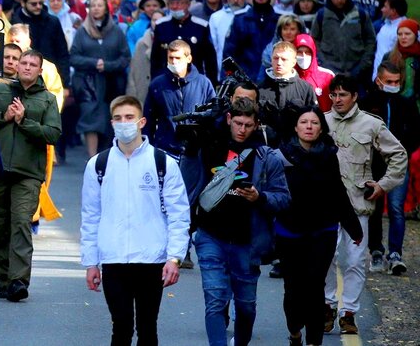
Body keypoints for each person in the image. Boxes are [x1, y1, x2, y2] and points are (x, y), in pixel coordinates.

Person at [81, 95, 190, 346]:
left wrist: (174, 257)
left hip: (151, 259)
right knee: (120, 327)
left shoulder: (163, 163)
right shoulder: (98, 165)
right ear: (111, 123)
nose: (124, 123)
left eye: (129, 117)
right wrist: (91, 262)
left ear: (142, 121)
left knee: (147, 328)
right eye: (118, 118)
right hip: (114, 259)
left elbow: (178, 214)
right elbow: (90, 216)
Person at [187, 98, 290, 346]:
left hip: (248, 241)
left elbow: (283, 198)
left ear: (256, 125)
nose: (242, 129)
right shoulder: (211, 147)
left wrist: (260, 196)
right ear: (229, 120)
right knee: (215, 298)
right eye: (239, 123)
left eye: (248, 125)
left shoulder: (267, 157)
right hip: (211, 235)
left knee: (246, 307)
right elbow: (189, 182)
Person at [0, 49, 61, 302]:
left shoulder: (47, 99)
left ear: (39, 71)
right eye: (24, 63)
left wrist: (24, 121)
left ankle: (19, 280)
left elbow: (53, 133)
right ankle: (3, 277)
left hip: (28, 173)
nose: (26, 68)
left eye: (33, 65)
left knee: (21, 223)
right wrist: (4, 117)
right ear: (18, 66)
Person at [323, 74, 407, 335]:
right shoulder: (321, 121)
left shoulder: (371, 124)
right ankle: (327, 306)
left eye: (342, 95)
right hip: (325, 206)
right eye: (333, 95)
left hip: (358, 203)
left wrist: (383, 184)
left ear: (354, 96)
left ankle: (349, 312)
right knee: (325, 258)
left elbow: (398, 154)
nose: (337, 99)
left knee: (355, 261)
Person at [275, 106, 363, 346]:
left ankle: (314, 341)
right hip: (289, 229)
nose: (309, 127)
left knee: (315, 286)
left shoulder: (328, 155)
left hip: (322, 229)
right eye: (304, 122)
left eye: (314, 123)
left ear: (321, 128)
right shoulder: (281, 155)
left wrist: (353, 227)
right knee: (293, 288)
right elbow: (271, 192)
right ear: (296, 126)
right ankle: (295, 332)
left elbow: (338, 192)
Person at [362, 62, 420, 276]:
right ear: (379, 80)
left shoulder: (406, 104)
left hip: (398, 164)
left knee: (396, 209)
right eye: (389, 82)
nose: (393, 85)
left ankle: (396, 253)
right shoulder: (368, 102)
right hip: (374, 164)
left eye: (397, 82)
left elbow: (415, 132)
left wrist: (402, 152)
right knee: (374, 209)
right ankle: (376, 250)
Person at [70, 0, 131, 157]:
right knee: (90, 120)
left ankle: (108, 157)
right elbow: (74, 57)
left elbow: (125, 57)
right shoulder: (82, 32)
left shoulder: (116, 32)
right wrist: (93, 63)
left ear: (106, 9)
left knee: (109, 120)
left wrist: (108, 65)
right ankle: (92, 158)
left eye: (100, 5)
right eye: (93, 5)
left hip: (111, 83)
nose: (96, 8)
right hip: (88, 83)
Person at [144, 39, 217, 158]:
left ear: (188, 59)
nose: (174, 62)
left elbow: (213, 117)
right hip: (165, 149)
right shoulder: (157, 85)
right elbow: (149, 119)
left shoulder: (204, 83)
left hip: (195, 152)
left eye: (178, 58)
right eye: (170, 58)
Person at [151, 0, 218, 83]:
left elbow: (210, 61)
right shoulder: (161, 25)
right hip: (168, 82)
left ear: (188, 4)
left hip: (194, 82)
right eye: (171, 3)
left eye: (179, 3)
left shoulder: (201, 26)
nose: (175, 7)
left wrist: (211, 85)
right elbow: (155, 60)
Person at [256, 41, 318, 146]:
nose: (279, 63)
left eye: (284, 59)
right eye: (276, 58)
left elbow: (314, 122)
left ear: (294, 62)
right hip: (267, 149)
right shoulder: (260, 88)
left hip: (298, 150)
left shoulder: (306, 89)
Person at [312, 0, 375, 79]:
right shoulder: (322, 15)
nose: (339, 0)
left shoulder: (360, 14)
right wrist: (324, 63)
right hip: (329, 69)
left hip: (357, 70)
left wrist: (363, 64)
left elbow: (370, 40)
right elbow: (314, 39)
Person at [11, 0, 71, 88]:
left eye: (40, 3)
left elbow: (62, 55)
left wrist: (64, 84)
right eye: (34, 4)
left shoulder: (52, 22)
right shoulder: (14, 23)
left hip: (50, 79)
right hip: (22, 80)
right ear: (23, 3)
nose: (38, 6)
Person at [225, 0, 279, 80]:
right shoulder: (240, 20)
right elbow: (229, 52)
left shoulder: (278, 21)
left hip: (272, 77)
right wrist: (232, 78)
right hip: (245, 78)